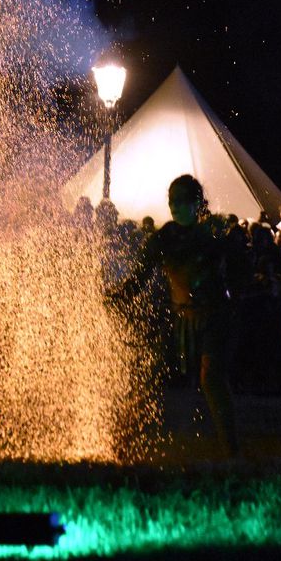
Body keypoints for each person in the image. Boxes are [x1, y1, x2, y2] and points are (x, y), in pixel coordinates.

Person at [113, 175, 239, 457]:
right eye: (171, 200)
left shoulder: (212, 234)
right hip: (183, 319)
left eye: (181, 200)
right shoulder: (165, 237)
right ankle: (120, 444)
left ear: (197, 203)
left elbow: (238, 269)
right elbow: (140, 276)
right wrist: (118, 297)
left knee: (211, 379)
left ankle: (231, 451)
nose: (174, 206)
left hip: (214, 318)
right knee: (152, 374)